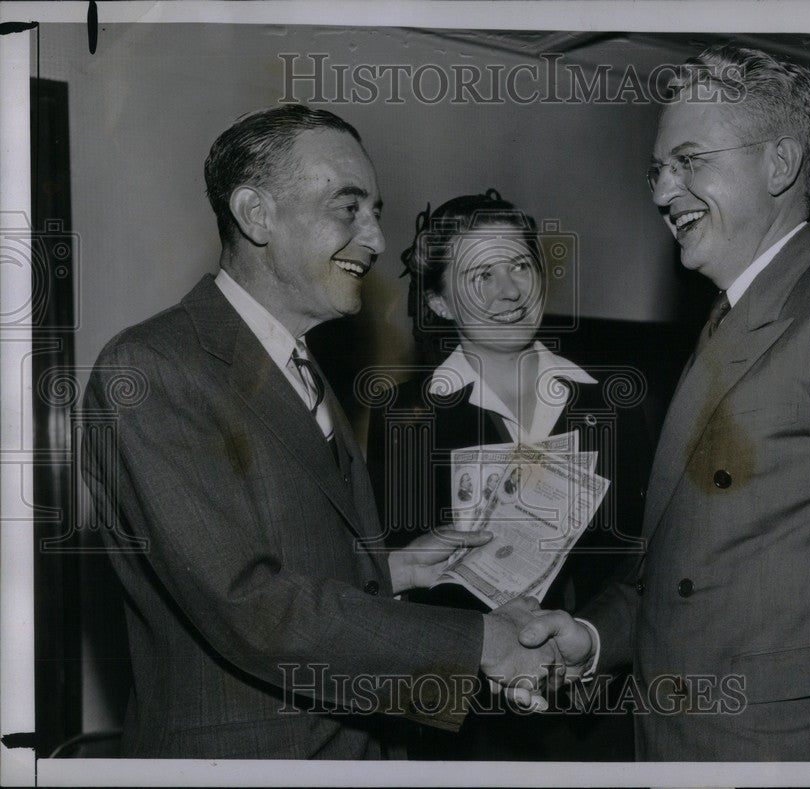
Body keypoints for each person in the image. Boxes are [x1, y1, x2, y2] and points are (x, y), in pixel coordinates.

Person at [521, 44, 810, 761]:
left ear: (779, 164)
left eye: (689, 160)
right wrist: (592, 637)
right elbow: (688, 571)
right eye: (657, 168)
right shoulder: (724, 324)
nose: (660, 190)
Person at [80, 105, 564, 760]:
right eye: (349, 208)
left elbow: (288, 560)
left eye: (376, 210)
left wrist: (391, 570)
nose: (375, 237)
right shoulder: (152, 368)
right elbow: (250, 606)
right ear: (257, 215)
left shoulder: (304, 370)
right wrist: (481, 642)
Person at [366, 192, 651, 760]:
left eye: (520, 265)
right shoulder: (407, 419)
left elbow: (644, 565)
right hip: (469, 729)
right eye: (481, 275)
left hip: (594, 721)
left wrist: (587, 643)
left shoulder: (614, 404)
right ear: (440, 303)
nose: (510, 291)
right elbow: (392, 585)